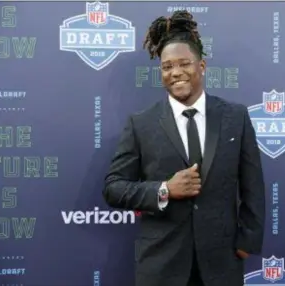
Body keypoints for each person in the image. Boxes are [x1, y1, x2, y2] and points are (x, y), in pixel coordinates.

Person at [103, 10, 266, 286]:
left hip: (221, 264)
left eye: (184, 64)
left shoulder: (235, 117)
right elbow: (113, 187)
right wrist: (164, 189)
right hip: (161, 265)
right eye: (167, 67)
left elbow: (254, 186)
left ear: (201, 66)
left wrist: (247, 241)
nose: (176, 72)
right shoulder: (141, 123)